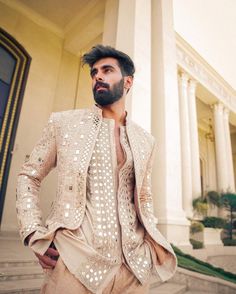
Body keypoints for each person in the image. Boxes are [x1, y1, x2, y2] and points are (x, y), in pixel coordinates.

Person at [16, 45, 177, 294]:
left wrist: (148, 245)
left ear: (128, 82)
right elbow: (29, 176)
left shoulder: (146, 140)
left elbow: (143, 195)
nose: (98, 76)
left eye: (107, 70)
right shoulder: (64, 123)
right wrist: (33, 233)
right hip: (74, 263)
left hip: (134, 269)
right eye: (94, 72)